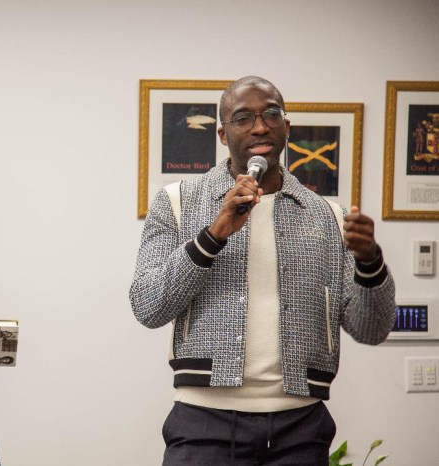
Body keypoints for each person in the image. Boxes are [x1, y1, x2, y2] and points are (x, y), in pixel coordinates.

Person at [129, 76, 396, 465]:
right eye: (243, 118)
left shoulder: (328, 216)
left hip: (301, 428)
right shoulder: (176, 202)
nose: (259, 126)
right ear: (222, 134)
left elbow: (371, 329)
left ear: (287, 127)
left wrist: (370, 262)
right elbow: (148, 306)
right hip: (203, 423)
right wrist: (214, 235)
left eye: (271, 114)